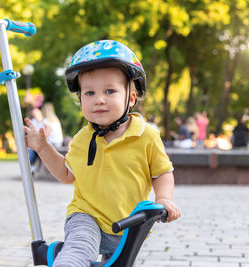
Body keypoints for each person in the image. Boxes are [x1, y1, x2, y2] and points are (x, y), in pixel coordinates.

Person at [24, 40, 180, 266]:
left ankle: (57, 253)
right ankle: (66, 258)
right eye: (89, 93)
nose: (99, 99)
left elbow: (162, 173)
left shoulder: (146, 136)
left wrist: (164, 199)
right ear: (80, 99)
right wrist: (43, 147)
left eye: (109, 91)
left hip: (128, 224)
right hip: (86, 216)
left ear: (131, 97)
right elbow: (66, 174)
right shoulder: (82, 138)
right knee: (79, 251)